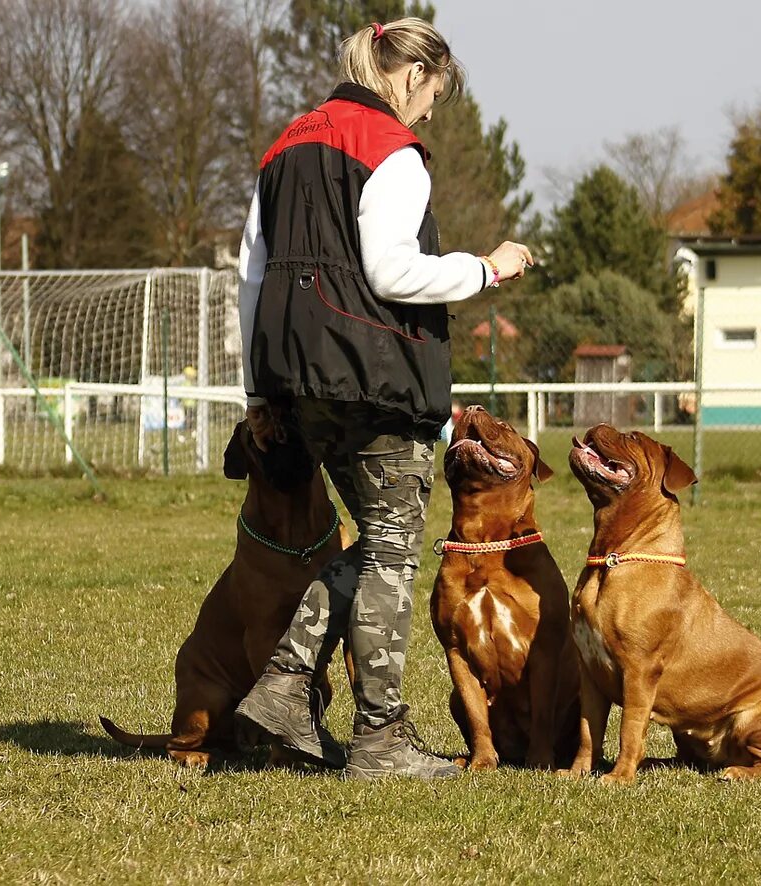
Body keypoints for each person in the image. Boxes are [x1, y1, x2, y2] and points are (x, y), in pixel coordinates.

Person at [233, 17, 533, 781]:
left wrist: (260, 387)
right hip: (372, 375)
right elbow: (395, 273)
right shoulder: (390, 151)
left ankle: (284, 687)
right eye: (431, 93)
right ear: (409, 76)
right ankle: (378, 740)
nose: (429, 112)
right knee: (392, 546)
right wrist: (485, 268)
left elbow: (251, 274)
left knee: (378, 541)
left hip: (298, 379)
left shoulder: (286, 144)